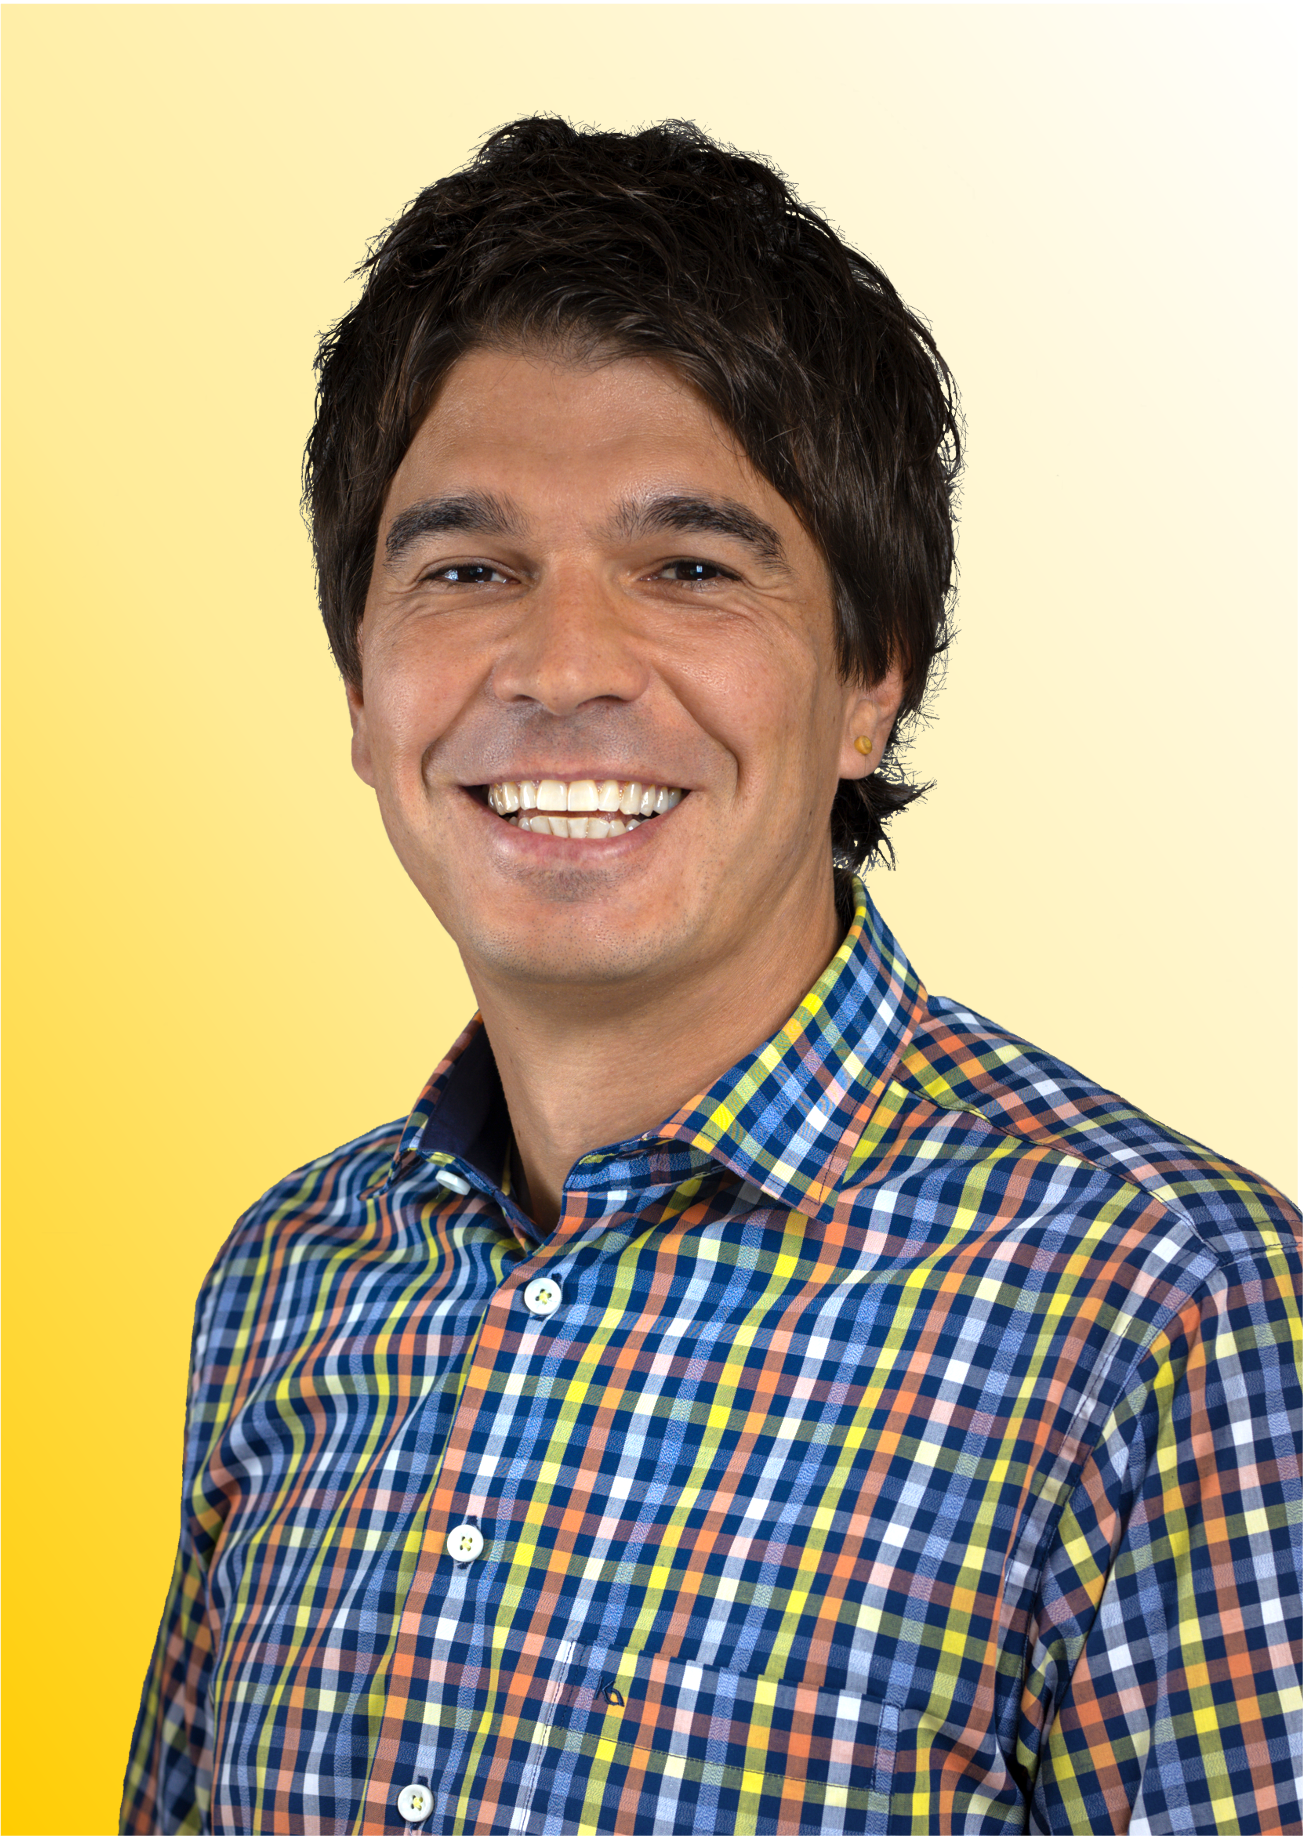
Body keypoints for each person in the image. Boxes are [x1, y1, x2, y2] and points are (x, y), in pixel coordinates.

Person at [122, 119, 1301, 1837]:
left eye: (689, 567)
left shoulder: (1167, 1310)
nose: (563, 663)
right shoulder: (282, 1285)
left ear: (866, 683)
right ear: (362, 690)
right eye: (465, 568)